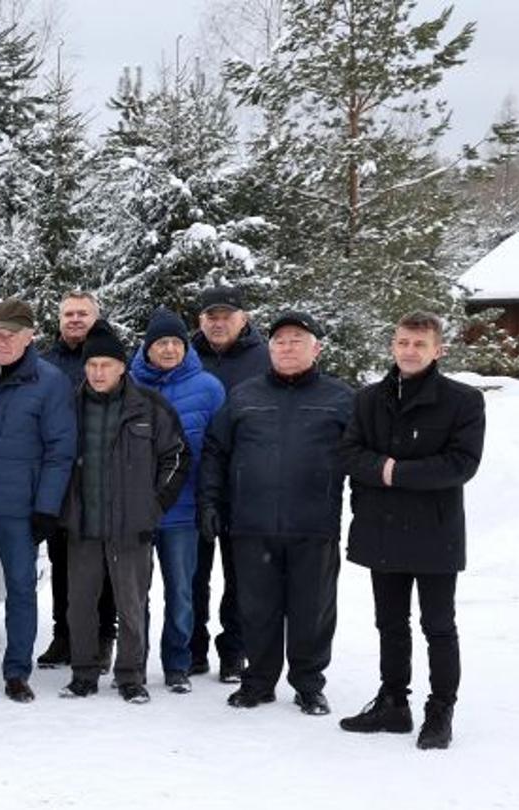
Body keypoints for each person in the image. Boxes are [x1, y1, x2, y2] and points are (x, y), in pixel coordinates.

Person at [336, 311, 484, 750]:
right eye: (403, 342)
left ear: (438, 350)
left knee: (438, 625)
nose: (410, 351)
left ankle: (440, 711)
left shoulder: (463, 400)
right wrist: (381, 468)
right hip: (381, 528)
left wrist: (394, 471)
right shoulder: (368, 399)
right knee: (390, 623)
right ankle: (393, 703)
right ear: (392, 346)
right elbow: (348, 452)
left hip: (436, 531)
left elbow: (461, 464)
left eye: (420, 344)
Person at [199, 311, 353, 716]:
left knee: (312, 611)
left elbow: (363, 458)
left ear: (316, 348)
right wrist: (211, 502)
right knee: (256, 609)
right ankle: (259, 681)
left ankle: (308, 684)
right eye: (280, 341)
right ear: (269, 349)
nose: (287, 347)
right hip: (252, 523)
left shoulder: (340, 398)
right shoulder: (245, 396)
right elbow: (216, 450)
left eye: (297, 340)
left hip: (313, 524)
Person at [0, 299, 76, 703]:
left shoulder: (49, 381)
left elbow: (60, 450)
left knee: (21, 588)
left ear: (29, 337)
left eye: (10, 334)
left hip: (21, 510)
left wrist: (46, 507)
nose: (1, 341)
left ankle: (17, 672)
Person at [56, 325, 188, 704]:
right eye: (92, 364)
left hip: (131, 526)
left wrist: (154, 504)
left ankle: (131, 676)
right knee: (80, 604)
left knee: (132, 604)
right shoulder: (68, 406)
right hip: (83, 524)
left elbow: (177, 456)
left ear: (122, 367)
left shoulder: (149, 406)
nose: (98, 372)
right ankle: (84, 673)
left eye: (106, 364)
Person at [128, 309, 227, 693]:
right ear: (147, 348)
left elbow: (217, 451)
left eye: (175, 343)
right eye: (160, 343)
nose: (168, 349)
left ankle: (177, 664)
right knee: (136, 595)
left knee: (182, 593)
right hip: (137, 510)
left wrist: (210, 501)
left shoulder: (209, 388)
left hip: (183, 512)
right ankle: (134, 663)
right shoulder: (129, 384)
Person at [190, 285, 270, 682]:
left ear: (244, 319)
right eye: (210, 316)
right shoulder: (185, 356)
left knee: (242, 573)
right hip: (192, 480)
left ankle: (234, 650)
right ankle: (193, 647)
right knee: (193, 572)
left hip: (245, 480)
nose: (218, 323)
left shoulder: (265, 358)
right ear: (200, 321)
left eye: (226, 316)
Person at [38, 291, 114, 669]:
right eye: (68, 313)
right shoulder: (46, 363)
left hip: (102, 476)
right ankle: (64, 635)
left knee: (104, 563)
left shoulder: (113, 357)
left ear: (95, 317)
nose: (75, 319)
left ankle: (103, 637)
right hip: (60, 479)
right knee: (62, 561)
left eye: (83, 313)